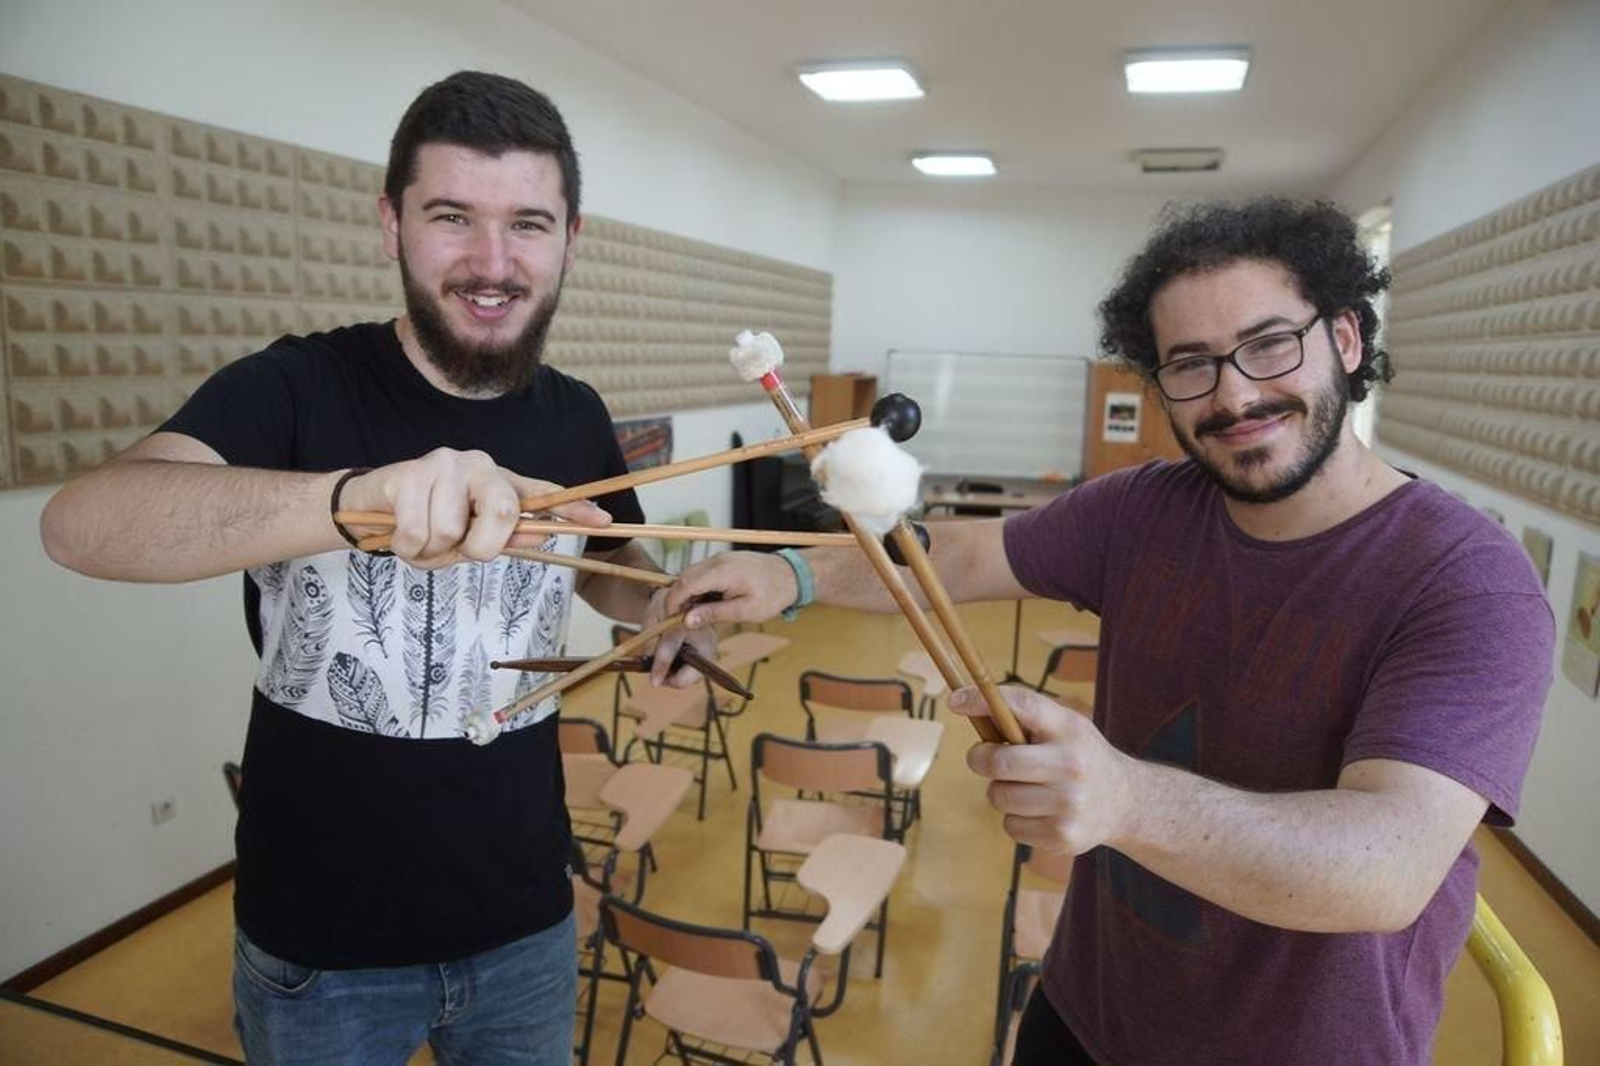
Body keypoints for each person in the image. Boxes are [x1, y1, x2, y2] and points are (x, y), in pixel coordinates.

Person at [665, 198, 1554, 1064]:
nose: (1234, 394)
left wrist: (1127, 800)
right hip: (1083, 1017)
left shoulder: (1465, 580)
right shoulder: (1146, 509)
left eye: (1269, 344)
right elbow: (960, 559)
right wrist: (794, 573)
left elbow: (1388, 868)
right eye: (1191, 363)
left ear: (1348, 339)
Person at [40, 70, 702, 1064]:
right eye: (451, 217)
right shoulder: (297, 384)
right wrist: (351, 502)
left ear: (572, 236)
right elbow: (83, 525)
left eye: (528, 222)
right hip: (322, 947)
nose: (492, 261)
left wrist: (667, 607)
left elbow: (610, 564)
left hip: (525, 918)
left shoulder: (575, 414)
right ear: (391, 223)